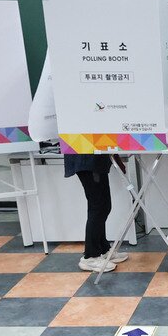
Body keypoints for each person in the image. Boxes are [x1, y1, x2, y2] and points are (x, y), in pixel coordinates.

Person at [28, 48, 126, 273]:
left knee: (104, 204)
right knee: (98, 205)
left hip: (95, 154)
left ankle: (102, 249)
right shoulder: (75, 91)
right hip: (84, 154)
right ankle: (90, 256)